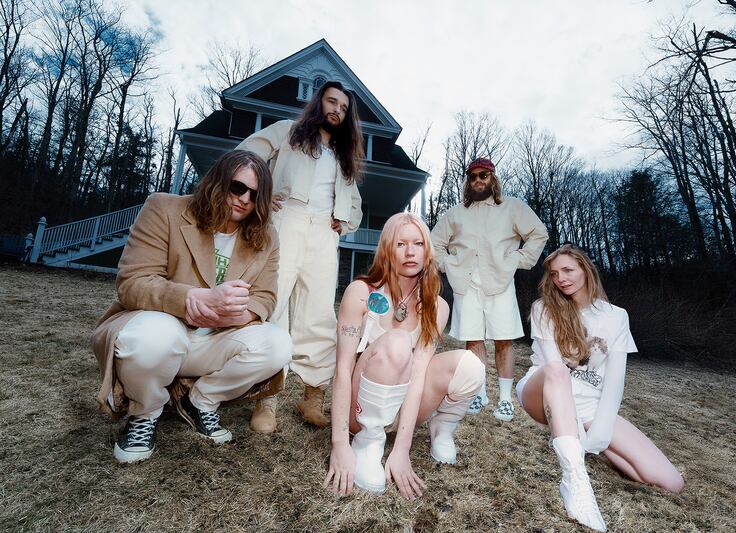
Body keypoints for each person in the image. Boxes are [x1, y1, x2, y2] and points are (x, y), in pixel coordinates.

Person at [91, 150, 292, 463]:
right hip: (164, 329)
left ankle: (203, 400)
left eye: (255, 195)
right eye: (237, 188)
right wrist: (190, 299)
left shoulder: (267, 238)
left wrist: (240, 312)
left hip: (213, 339)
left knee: (278, 344)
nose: (244, 200)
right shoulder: (165, 208)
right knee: (151, 337)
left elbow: (265, 297)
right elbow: (132, 282)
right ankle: (145, 412)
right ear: (217, 180)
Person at [517, 244, 684, 531]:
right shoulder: (544, 307)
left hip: (589, 406)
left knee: (671, 482)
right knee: (557, 370)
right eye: (555, 274)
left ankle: (587, 447)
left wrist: (599, 434)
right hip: (543, 391)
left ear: (585, 269)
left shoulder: (616, 316)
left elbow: (615, 381)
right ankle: (575, 481)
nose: (561, 279)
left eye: (568, 270)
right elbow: (554, 369)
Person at [324, 213, 485, 499]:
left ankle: (442, 426)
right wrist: (339, 443)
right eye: (401, 244)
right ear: (387, 249)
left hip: (399, 409)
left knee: (470, 365)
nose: (410, 252)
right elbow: (341, 369)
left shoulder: (437, 307)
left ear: (427, 250)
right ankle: (368, 442)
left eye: (418, 243)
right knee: (397, 342)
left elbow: (419, 374)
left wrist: (401, 449)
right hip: (358, 410)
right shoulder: (360, 293)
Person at [236, 81, 364, 432]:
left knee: (319, 311)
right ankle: (267, 397)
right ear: (318, 103)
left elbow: (355, 205)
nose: (336, 109)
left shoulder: (343, 157)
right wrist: (261, 191)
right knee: (273, 304)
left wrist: (345, 220)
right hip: (286, 221)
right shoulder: (287, 133)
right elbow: (246, 156)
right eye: (331, 101)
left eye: (343, 107)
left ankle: (313, 394)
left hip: (325, 232)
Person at [431, 157, 548, 421]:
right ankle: (479, 393)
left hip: (500, 282)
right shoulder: (455, 213)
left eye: (483, 175)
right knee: (473, 339)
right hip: (466, 283)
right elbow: (433, 243)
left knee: (503, 339)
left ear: (493, 179)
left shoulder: (513, 208)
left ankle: (505, 400)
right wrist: (449, 264)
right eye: (472, 177)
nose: (478, 181)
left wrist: (518, 259)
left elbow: (538, 233)